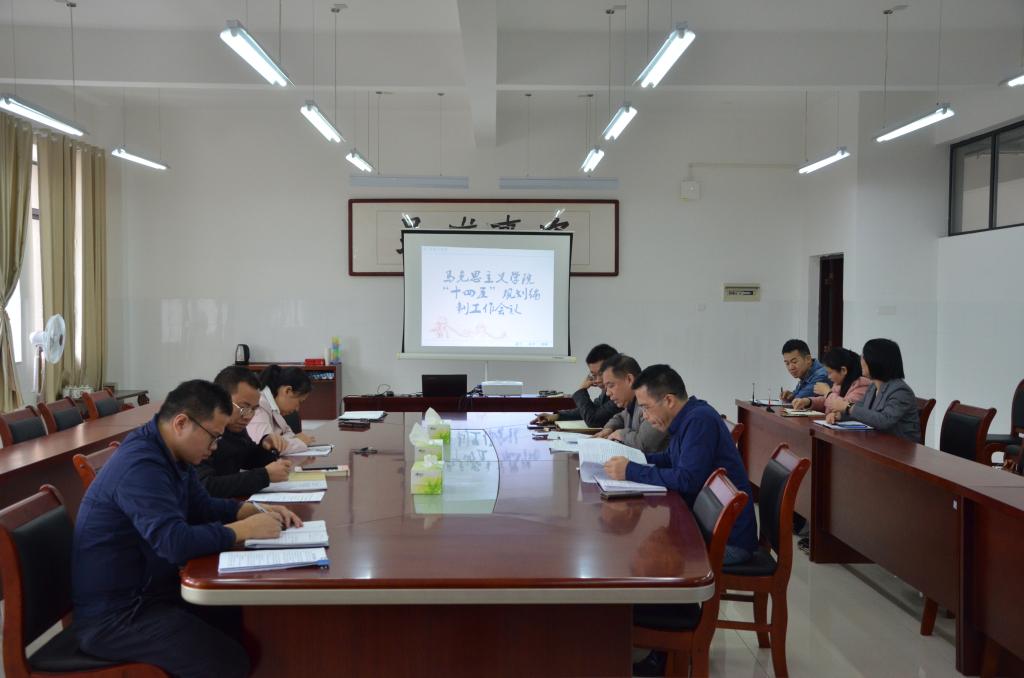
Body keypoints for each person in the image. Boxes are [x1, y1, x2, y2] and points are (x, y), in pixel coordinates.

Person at [72, 380, 302, 678]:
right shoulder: (141, 465)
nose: (214, 447)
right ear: (181, 423)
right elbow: (175, 543)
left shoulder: (171, 453)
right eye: (213, 437)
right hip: (117, 616)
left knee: (244, 619)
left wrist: (249, 510)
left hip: (151, 593)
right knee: (226, 661)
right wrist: (242, 530)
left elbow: (202, 506)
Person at [602, 364, 758, 565]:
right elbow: (670, 458)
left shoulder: (699, 420)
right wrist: (634, 460)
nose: (644, 416)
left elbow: (688, 479)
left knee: (653, 560)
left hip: (727, 541)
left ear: (668, 400)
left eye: (646, 407)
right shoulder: (686, 417)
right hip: (706, 525)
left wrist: (630, 470)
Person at [196, 366, 294, 498]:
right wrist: (264, 476)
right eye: (243, 407)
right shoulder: (201, 430)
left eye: (254, 409)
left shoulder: (235, 428)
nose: (248, 416)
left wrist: (266, 445)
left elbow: (249, 458)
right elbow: (205, 487)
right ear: (220, 400)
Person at [826, 338, 921, 442]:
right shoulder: (873, 387)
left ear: (876, 361)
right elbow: (862, 412)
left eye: (864, 357)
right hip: (876, 443)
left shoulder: (900, 391)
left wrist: (847, 407)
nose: (861, 360)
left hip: (899, 448)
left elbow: (884, 420)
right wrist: (840, 415)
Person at [531, 343, 621, 428]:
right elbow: (590, 410)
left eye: (601, 374)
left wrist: (582, 390)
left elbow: (593, 420)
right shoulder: (606, 392)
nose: (597, 380)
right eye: (593, 375)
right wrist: (556, 416)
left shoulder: (620, 394)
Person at [593, 354, 668, 452]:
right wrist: (609, 428)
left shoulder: (651, 402)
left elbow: (644, 444)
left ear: (629, 380)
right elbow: (620, 417)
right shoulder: (631, 403)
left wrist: (621, 434)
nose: (607, 393)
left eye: (611, 385)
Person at [247, 364, 316, 454]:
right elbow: (268, 447)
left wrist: (287, 440)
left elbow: (288, 433)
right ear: (287, 391)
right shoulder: (259, 405)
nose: (297, 409)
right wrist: (299, 442)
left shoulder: (274, 407)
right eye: (299, 401)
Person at [791, 347, 871, 414]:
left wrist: (827, 392)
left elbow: (844, 407)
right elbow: (826, 401)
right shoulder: (839, 384)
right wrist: (808, 401)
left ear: (843, 370)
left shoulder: (862, 386)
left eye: (830, 373)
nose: (828, 377)